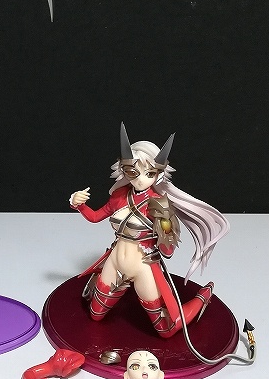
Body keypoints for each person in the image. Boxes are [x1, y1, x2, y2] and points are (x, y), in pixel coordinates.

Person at [70, 124, 229, 338]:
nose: (140, 178)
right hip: (115, 262)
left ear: (158, 174)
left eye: (149, 173)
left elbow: (167, 251)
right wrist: (79, 204)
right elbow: (95, 217)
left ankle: (202, 297)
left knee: (166, 329)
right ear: (124, 169)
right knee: (95, 315)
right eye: (133, 171)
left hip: (143, 267)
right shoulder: (119, 196)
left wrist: (166, 227)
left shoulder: (159, 203)